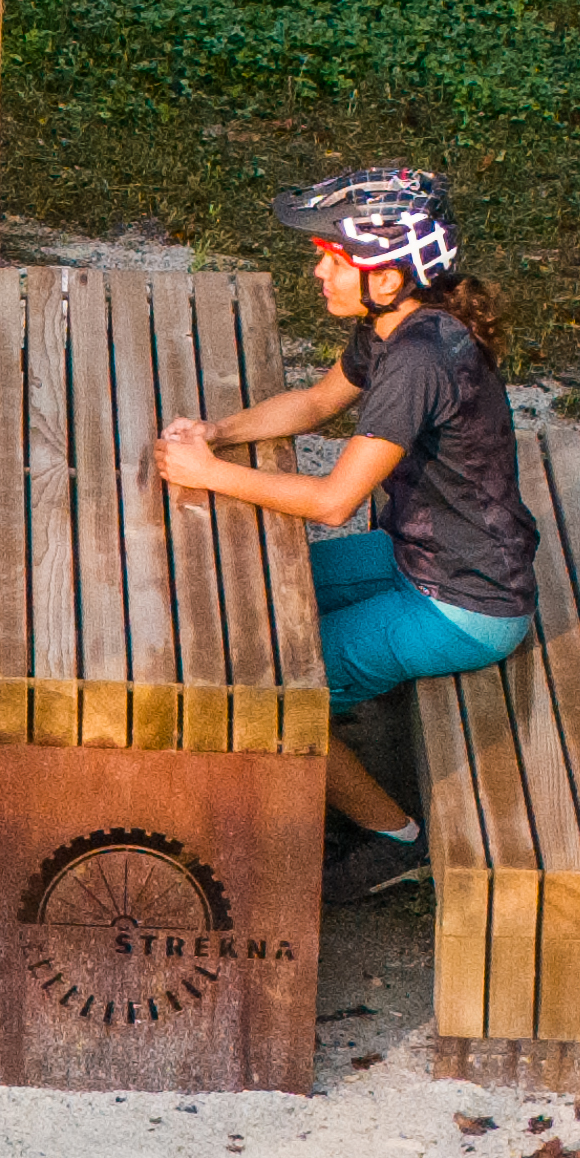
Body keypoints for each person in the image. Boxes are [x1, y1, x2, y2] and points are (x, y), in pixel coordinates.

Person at [152, 165, 545, 897]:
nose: (319, 272)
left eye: (335, 259)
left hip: (463, 603)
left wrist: (208, 474)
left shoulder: (421, 362)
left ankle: (394, 839)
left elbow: (335, 501)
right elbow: (311, 404)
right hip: (419, 560)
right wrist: (218, 432)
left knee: (270, 687)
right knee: (252, 601)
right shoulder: (398, 330)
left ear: (389, 278)